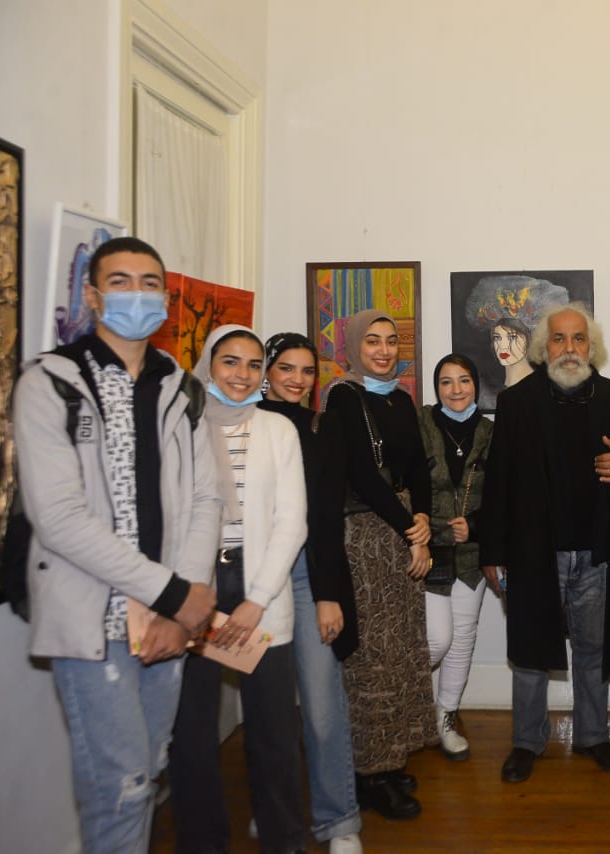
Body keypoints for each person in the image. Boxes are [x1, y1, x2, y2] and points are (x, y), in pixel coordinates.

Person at [12, 237, 221, 854]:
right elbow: (59, 519)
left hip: (168, 620)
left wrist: (182, 606)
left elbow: (205, 499)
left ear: (166, 297)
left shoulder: (181, 386)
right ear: (93, 295)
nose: (137, 294)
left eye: (150, 283)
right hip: (94, 616)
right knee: (121, 786)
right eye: (121, 281)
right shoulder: (51, 382)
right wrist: (177, 594)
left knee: (149, 769)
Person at [479, 302, 610, 784]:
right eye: (558, 339)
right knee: (532, 650)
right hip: (534, 551)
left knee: (594, 648)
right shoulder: (516, 402)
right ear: (543, 348)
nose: (569, 348)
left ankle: (592, 735)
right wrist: (492, 551)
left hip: (598, 550)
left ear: (591, 347)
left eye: (578, 339)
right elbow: (498, 481)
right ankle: (526, 741)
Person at [168, 325, 308, 854]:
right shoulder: (180, 427)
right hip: (195, 593)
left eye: (253, 364)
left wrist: (256, 602)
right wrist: (188, 596)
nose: (242, 374)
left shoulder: (278, 429)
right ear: (208, 363)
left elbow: (291, 523)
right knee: (193, 735)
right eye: (230, 361)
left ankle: (284, 840)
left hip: (259, 590)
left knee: (273, 733)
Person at [320, 309, 436, 820]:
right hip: (367, 537)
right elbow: (363, 476)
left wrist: (423, 519)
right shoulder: (343, 397)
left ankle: (390, 757)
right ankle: (369, 772)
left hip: (404, 532)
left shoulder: (401, 398)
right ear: (353, 346)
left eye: (391, 341)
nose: (384, 350)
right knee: (371, 657)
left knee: (400, 649)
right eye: (373, 341)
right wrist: (413, 529)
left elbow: (418, 467)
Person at [259, 332, 363, 854]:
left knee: (322, 706)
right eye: (287, 369)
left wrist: (327, 594)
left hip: (307, 574)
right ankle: (273, 812)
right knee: (268, 711)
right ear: (267, 371)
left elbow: (325, 519)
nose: (298, 380)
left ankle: (339, 820)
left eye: (306, 371)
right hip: (250, 580)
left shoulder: (323, 428)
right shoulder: (241, 422)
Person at [418, 353, 493, 761]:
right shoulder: (420, 424)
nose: (456, 389)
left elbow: (505, 490)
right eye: (446, 382)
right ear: (436, 389)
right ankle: (403, 703)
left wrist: (476, 526)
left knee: (463, 638)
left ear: (476, 385)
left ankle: (444, 716)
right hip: (427, 551)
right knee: (437, 639)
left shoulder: (491, 432)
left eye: (464, 380)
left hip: (471, 555)